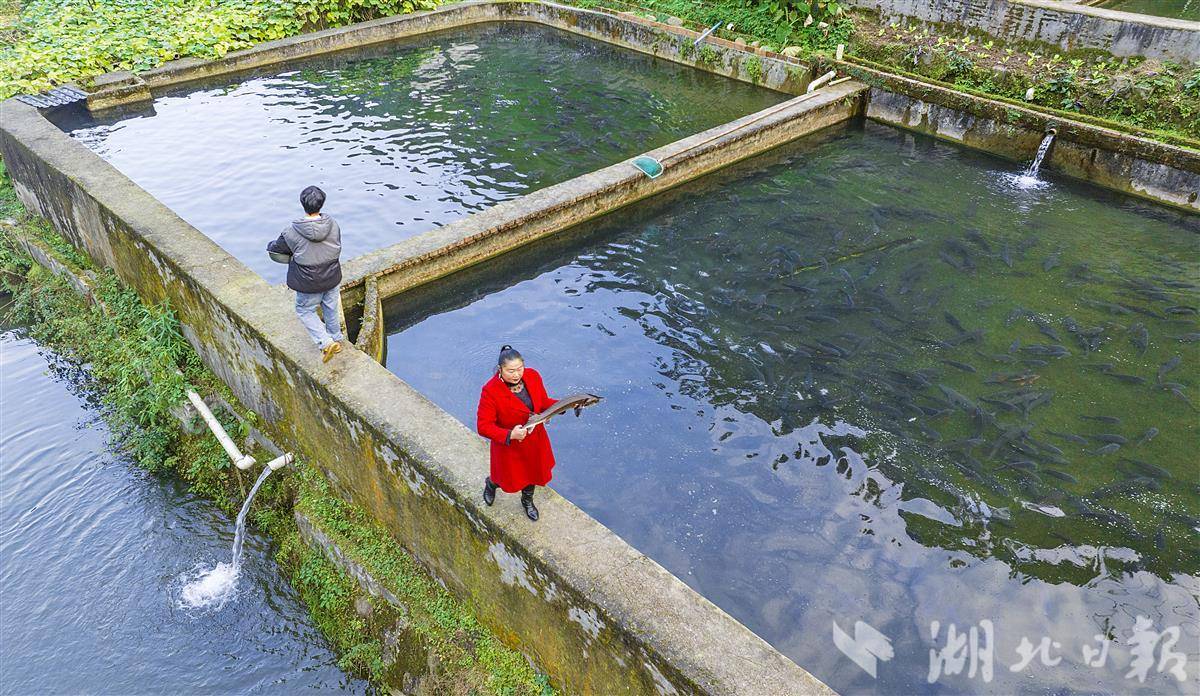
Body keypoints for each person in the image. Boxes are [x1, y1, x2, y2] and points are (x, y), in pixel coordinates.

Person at [476, 345, 558, 521]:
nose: (516, 374)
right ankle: (491, 484)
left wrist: (563, 405)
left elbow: (543, 402)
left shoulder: (533, 376)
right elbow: (483, 426)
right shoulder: (490, 390)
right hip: (509, 446)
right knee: (504, 477)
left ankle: (527, 501)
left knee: (532, 473)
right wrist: (510, 435)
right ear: (500, 369)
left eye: (520, 368)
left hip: (535, 440)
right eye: (511, 371)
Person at [267, 186, 344, 363]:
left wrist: (270, 245)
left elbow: (277, 249)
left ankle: (326, 342)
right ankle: (336, 338)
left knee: (304, 310)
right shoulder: (333, 224)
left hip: (308, 282)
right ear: (322, 203)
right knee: (330, 306)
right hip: (332, 276)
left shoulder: (291, 231)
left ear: (302, 203)